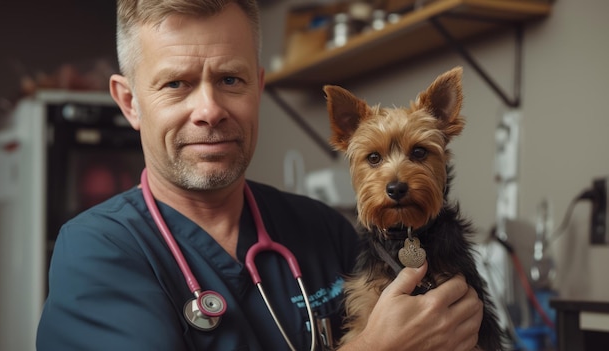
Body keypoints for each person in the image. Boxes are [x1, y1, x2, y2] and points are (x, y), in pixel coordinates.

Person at [36, 0, 484, 350]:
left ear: (258, 86)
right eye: (177, 84)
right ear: (130, 102)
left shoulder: (324, 229)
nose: (209, 110)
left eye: (231, 79)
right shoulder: (95, 254)